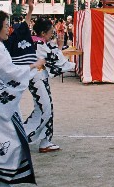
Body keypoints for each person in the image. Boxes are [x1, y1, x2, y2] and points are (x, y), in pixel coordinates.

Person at [0, 9, 45, 187]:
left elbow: (10, 71)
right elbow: (10, 72)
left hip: (5, 100)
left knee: (17, 142)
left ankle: (3, 182)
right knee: (14, 144)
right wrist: (33, 66)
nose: (8, 29)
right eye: (6, 26)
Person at [24, 17, 76, 154]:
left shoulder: (36, 42)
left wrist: (58, 46)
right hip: (37, 79)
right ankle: (23, 138)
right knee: (45, 109)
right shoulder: (39, 44)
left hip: (38, 79)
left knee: (43, 109)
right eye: (50, 32)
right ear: (42, 33)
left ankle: (42, 140)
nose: (51, 35)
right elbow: (53, 57)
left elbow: (52, 54)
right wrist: (59, 47)